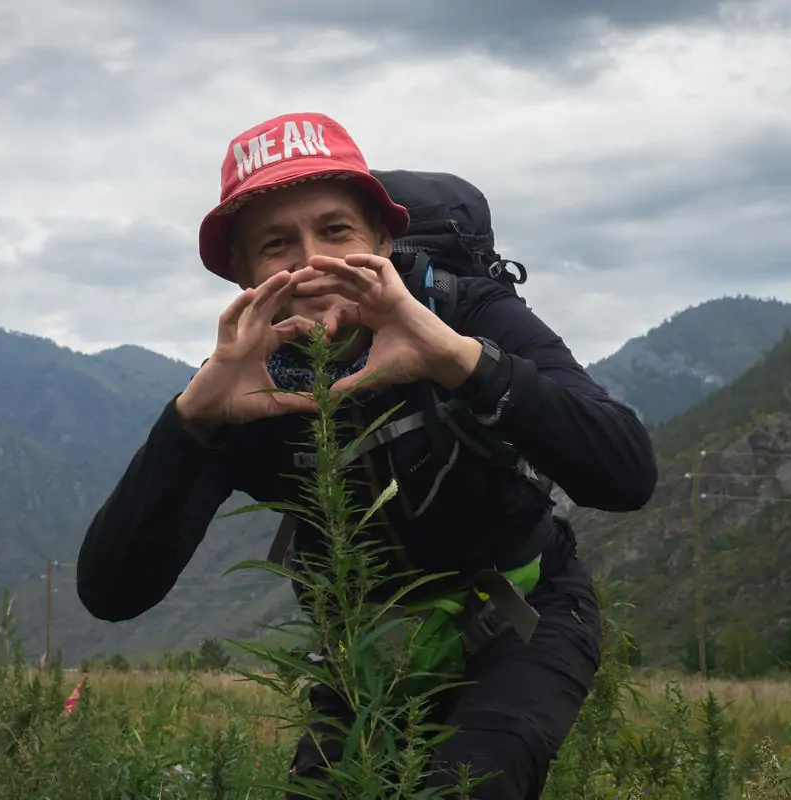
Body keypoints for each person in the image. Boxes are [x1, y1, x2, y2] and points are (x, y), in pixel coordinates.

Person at [76, 112, 658, 798]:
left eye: (336, 230)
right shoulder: (243, 386)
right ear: (242, 275)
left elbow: (626, 474)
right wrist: (190, 422)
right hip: (367, 656)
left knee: (467, 784)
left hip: (522, 617)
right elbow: (113, 592)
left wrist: (459, 361)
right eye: (275, 244)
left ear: (383, 239)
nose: (311, 261)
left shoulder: (466, 315)